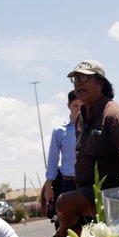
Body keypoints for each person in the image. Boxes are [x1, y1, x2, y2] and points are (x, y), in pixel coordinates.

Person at [51, 60, 119, 237]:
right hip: (89, 194)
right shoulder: (81, 117)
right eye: (75, 79)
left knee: (65, 202)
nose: (78, 83)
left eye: (84, 78)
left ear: (101, 82)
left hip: (113, 196)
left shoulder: (114, 116)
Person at [43, 90, 81, 229]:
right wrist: (49, 186)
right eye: (75, 105)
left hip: (87, 183)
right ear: (69, 106)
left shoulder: (91, 127)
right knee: (65, 226)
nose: (79, 109)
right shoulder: (60, 131)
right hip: (68, 184)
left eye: (82, 106)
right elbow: (52, 160)